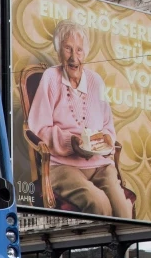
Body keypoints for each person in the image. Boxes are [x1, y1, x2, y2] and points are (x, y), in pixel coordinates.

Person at [27, 20, 133, 219]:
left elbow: (108, 127)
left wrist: (106, 140)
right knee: (99, 204)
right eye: (68, 49)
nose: (74, 57)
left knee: (124, 211)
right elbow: (38, 128)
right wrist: (71, 142)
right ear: (59, 51)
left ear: (85, 53)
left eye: (79, 50)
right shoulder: (51, 78)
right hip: (62, 166)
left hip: (100, 165)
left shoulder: (96, 81)